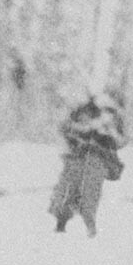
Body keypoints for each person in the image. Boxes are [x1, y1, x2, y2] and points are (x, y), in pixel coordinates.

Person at [49, 91, 126, 237]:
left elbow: (120, 140)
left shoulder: (114, 117)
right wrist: (83, 131)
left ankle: (90, 227)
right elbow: (66, 128)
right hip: (78, 155)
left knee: (90, 192)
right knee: (67, 189)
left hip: (98, 157)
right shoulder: (80, 111)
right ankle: (61, 224)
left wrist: (106, 132)